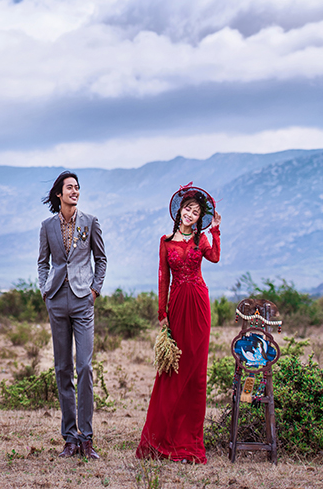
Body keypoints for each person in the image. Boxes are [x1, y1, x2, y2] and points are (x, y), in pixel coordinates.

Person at [136, 183, 222, 464]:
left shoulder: (201, 240)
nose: (190, 214)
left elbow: (215, 258)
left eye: (196, 212)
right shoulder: (166, 242)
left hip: (198, 304)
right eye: (187, 209)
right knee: (172, 370)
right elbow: (163, 278)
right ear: (179, 211)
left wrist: (215, 231)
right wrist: (162, 314)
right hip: (176, 307)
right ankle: (162, 438)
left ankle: (189, 442)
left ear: (199, 217)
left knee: (195, 373)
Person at [38, 171, 107, 460]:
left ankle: (87, 438)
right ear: (59, 193)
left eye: (77, 187)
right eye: (70, 187)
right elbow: (42, 262)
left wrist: (94, 290)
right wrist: (45, 289)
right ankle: (70, 438)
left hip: (82, 300)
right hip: (57, 299)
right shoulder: (47, 226)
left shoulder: (90, 222)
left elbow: (101, 259)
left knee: (85, 367)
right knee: (62, 369)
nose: (75, 191)